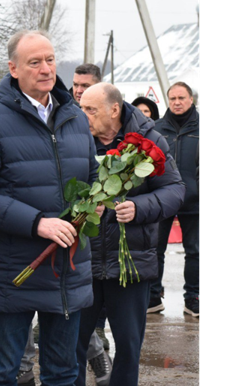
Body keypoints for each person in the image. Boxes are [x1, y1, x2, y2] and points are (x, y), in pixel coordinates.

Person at [0, 30, 97, 386]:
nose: (45, 69)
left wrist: (101, 203)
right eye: (34, 62)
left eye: (50, 60)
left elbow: (93, 179)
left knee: (64, 373)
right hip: (13, 271)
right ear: (14, 69)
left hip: (66, 270)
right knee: (5, 372)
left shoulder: (75, 118)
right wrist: (38, 223)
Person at [76, 83, 185, 386]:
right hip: (83, 262)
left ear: (114, 110)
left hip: (131, 263)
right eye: (81, 108)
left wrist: (140, 206)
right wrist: (78, 209)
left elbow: (175, 190)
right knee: (71, 345)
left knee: (128, 347)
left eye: (90, 110)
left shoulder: (150, 140)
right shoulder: (76, 140)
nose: (82, 116)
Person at [149, 82, 201, 317]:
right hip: (163, 198)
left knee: (195, 251)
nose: (177, 102)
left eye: (182, 97)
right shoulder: (157, 128)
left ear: (192, 99)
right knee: (155, 249)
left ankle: (192, 297)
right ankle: (153, 296)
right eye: (173, 98)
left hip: (194, 200)